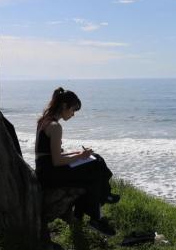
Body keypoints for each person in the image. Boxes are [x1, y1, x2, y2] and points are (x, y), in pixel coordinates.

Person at [35, 87, 119, 236]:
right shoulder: (55, 127)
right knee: (95, 166)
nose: (73, 115)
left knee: (95, 161)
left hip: (45, 170)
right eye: (73, 110)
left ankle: (94, 212)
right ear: (64, 106)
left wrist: (79, 153)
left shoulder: (44, 120)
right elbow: (57, 160)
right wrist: (80, 156)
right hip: (50, 174)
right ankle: (100, 207)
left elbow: (48, 155)